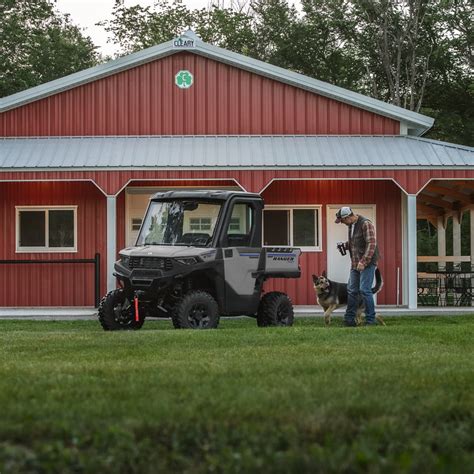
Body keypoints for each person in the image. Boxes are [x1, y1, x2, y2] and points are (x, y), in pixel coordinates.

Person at [335, 207, 379, 326]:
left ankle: (371, 320)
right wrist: (345, 245)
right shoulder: (351, 226)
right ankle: (349, 320)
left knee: (365, 290)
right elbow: (355, 242)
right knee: (352, 290)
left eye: (342, 221)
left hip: (367, 263)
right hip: (355, 263)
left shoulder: (366, 224)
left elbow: (371, 244)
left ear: (347, 217)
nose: (342, 223)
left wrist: (363, 261)